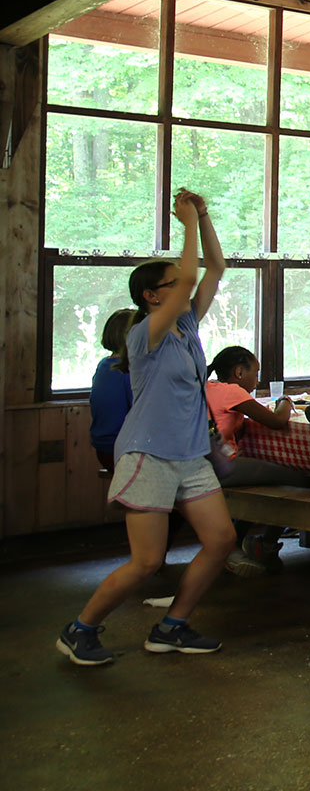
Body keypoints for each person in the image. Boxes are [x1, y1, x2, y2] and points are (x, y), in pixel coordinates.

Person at [58, 189, 236, 665]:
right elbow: (194, 274)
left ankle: (172, 626)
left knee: (221, 540)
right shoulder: (146, 333)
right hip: (148, 454)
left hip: (190, 454)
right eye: (174, 284)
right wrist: (187, 226)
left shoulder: (187, 327)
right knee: (147, 561)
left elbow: (213, 270)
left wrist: (204, 213)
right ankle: (80, 629)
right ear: (152, 296)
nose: (186, 288)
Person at [203, 345, 310, 576]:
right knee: (298, 479)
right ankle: (262, 544)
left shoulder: (208, 387)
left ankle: (254, 542)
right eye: (256, 373)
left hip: (201, 463)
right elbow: (277, 421)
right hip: (222, 467)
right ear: (239, 373)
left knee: (272, 481)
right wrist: (285, 399)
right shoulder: (233, 392)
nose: (257, 380)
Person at [88, 308, 137, 473]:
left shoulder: (103, 365)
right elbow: (142, 412)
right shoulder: (127, 370)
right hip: (123, 451)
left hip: (103, 450)